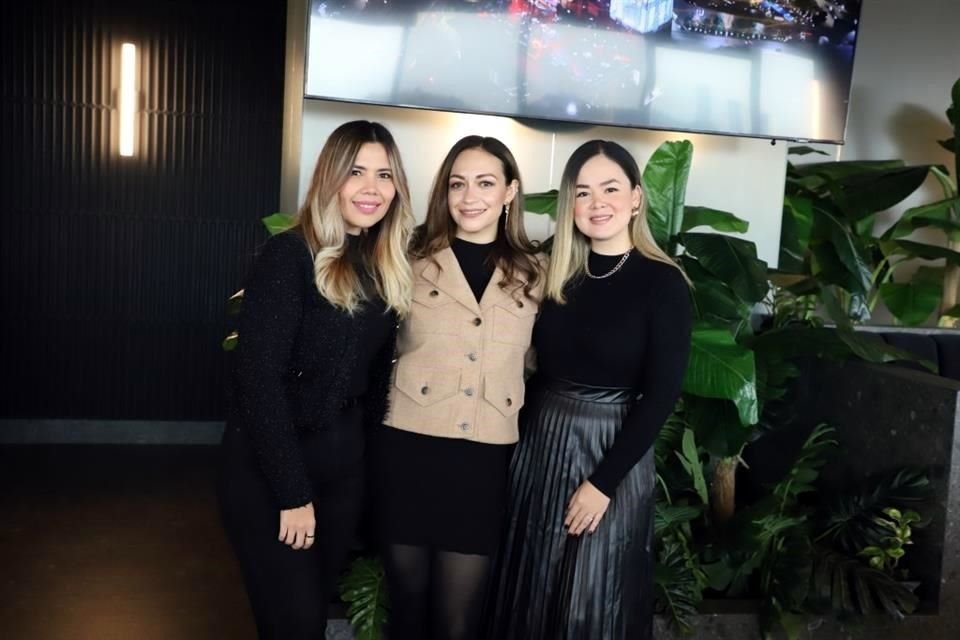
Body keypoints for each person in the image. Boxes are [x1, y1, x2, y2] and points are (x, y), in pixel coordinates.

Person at [485, 139, 692, 640]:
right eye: (582, 192)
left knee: (593, 601)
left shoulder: (664, 284)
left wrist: (603, 484)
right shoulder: (551, 270)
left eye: (610, 188)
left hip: (612, 453)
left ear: (636, 198)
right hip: (540, 445)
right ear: (569, 204)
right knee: (529, 589)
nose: (597, 203)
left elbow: (661, 396)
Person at [217, 120, 414, 640]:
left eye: (385, 175)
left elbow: (372, 385)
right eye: (356, 172)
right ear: (330, 177)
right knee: (296, 624)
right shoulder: (290, 256)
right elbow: (257, 379)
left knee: (308, 617)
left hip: (342, 470)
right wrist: (292, 493)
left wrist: (366, 479)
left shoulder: (383, 266)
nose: (372, 189)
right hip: (272, 471)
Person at [369, 135, 545, 640]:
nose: (470, 197)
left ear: (510, 191)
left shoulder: (536, 271)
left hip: (481, 462)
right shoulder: (407, 257)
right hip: (407, 448)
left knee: (459, 621)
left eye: (486, 183)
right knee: (407, 607)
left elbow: (538, 361)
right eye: (458, 184)